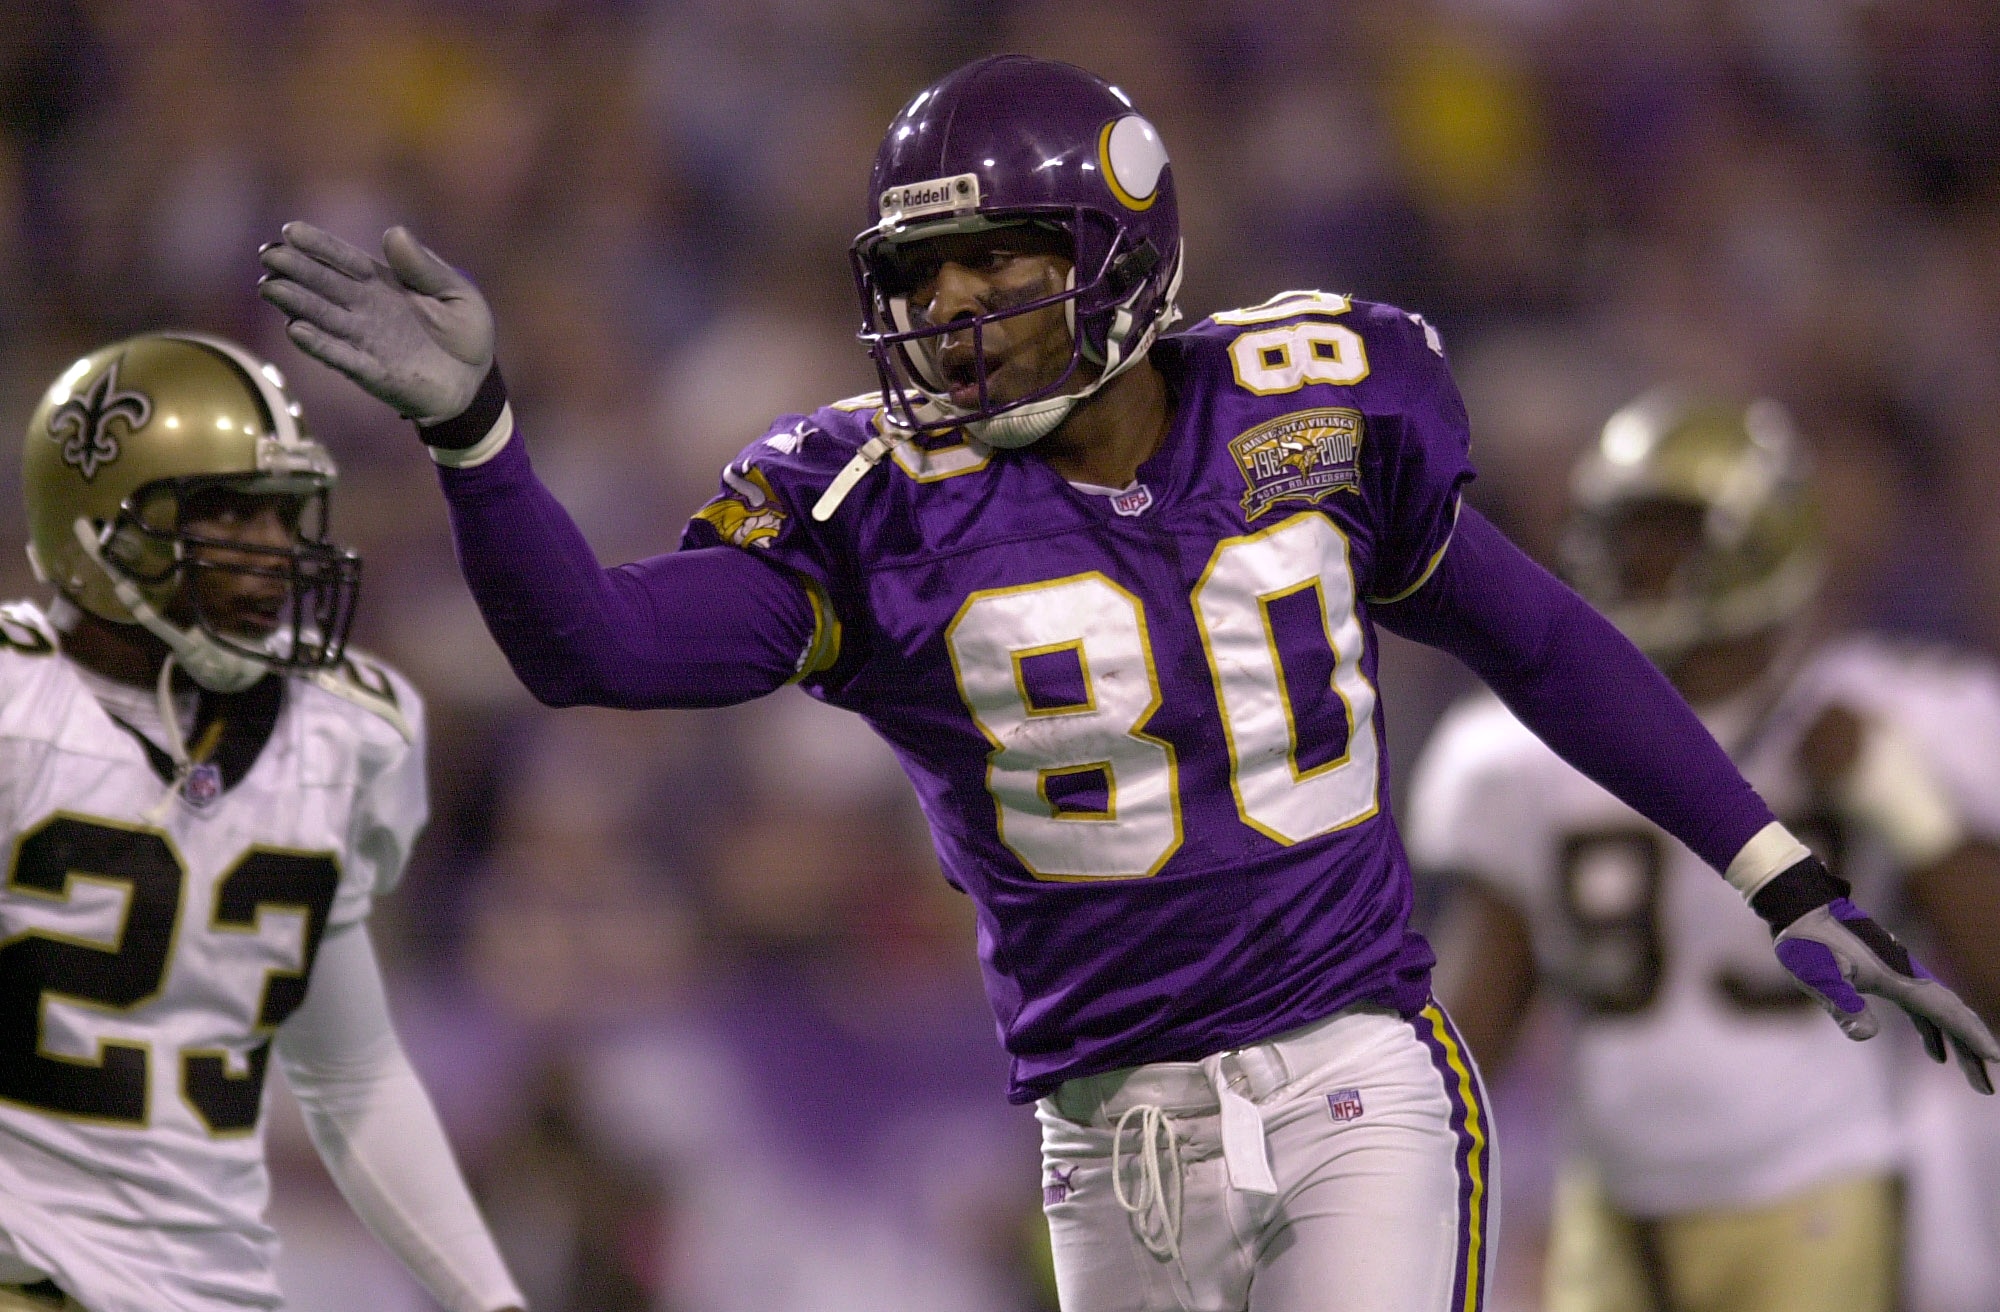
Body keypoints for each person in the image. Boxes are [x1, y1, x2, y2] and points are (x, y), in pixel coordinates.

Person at [255, 54, 1995, 1312]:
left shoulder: (1318, 407)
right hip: (1103, 1147)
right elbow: (597, 649)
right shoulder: (871, 505)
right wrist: (476, 440)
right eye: (916, 275)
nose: (947, 311)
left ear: (1119, 249)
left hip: (1350, 1085)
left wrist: (1775, 869)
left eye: (992, 262)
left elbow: (1534, 637)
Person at [1405, 391, 2000, 1312]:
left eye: (1672, 531)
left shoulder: (1887, 718)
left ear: (1763, 538)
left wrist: (1904, 801)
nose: (1640, 559)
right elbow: (1480, 1015)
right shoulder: (1520, 752)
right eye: (1626, 530)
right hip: (1609, 1197)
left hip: (1816, 1185)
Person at [0, 333, 524, 1312]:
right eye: (229, 513)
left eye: (282, 515)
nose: (274, 550)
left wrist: (489, 1299)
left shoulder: (340, 734)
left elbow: (350, 1072)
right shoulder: (17, 716)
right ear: (95, 527)